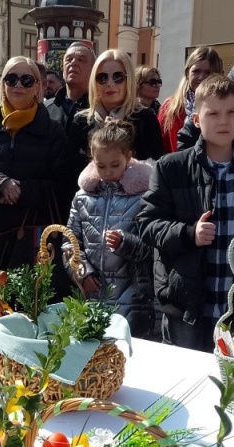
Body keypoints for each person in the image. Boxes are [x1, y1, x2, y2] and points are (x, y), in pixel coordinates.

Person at [137, 75, 234, 351]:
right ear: (196, 119)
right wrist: (189, 233)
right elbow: (147, 223)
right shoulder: (171, 168)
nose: (223, 121)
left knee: (233, 384)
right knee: (183, 383)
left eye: (230, 112)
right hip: (188, 306)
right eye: (213, 113)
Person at [66, 120, 155, 338]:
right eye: (101, 166)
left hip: (133, 299)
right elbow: (70, 241)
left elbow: (154, 247)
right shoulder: (83, 197)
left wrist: (125, 244)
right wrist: (81, 271)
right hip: (92, 295)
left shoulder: (144, 195)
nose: (108, 172)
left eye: (115, 165)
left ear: (129, 157)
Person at [0, 56, 66, 269]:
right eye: (11, 79)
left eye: (26, 80)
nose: (18, 85)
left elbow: (61, 186)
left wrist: (21, 190)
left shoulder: (53, 131)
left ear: (37, 87)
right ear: (3, 85)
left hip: (32, 235)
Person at [69, 50, 164, 163]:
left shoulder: (145, 119)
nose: (110, 83)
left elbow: (154, 167)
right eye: (102, 77)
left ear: (129, 80)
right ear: (94, 82)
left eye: (118, 77)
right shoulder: (80, 121)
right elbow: (69, 170)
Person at [158, 46, 223, 153]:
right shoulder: (170, 107)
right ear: (187, 72)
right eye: (196, 71)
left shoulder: (225, 107)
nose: (201, 77)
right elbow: (160, 147)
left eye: (208, 72)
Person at [47, 42, 96, 132]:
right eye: (68, 59)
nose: (73, 63)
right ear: (63, 70)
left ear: (93, 69)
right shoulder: (46, 109)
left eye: (81, 60)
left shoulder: (100, 110)